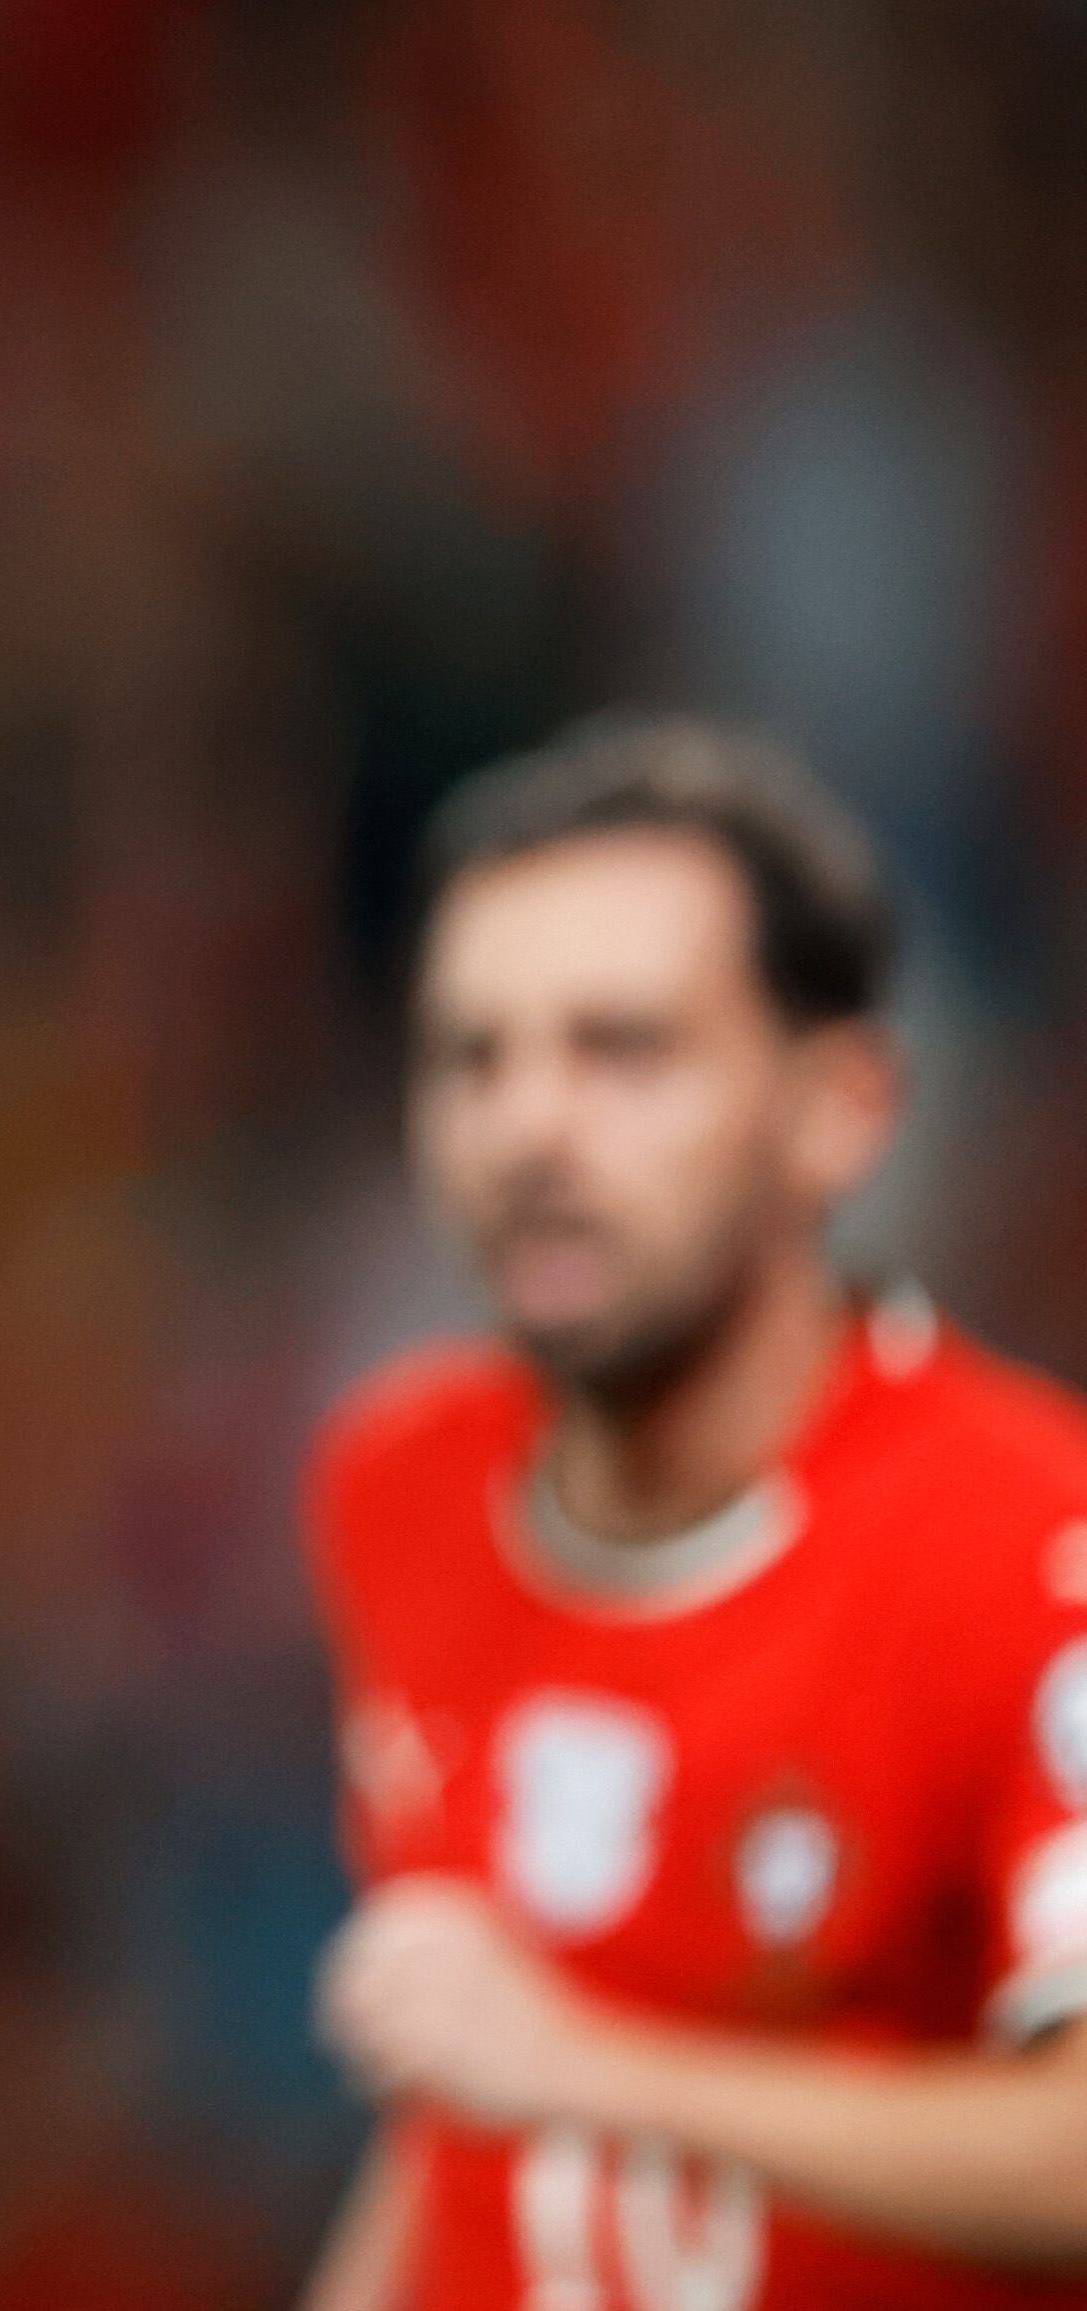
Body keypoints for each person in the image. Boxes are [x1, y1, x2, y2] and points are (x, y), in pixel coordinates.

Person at [298, 717, 1087, 2309]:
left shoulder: (1025, 1540)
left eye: (622, 1049)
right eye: (472, 1056)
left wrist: (592, 2069)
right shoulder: (397, 1485)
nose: (527, 1126)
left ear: (840, 1111)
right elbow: (456, 2121)